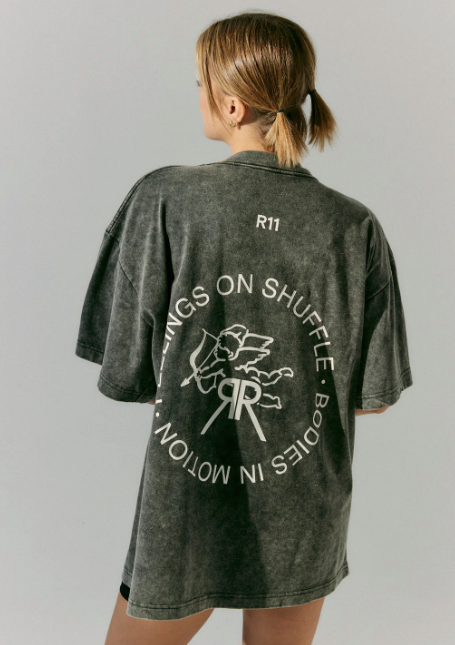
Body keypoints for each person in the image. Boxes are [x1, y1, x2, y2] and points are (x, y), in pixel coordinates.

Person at [74, 10, 413, 645]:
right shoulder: (354, 226)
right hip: (305, 512)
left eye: (200, 83)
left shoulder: (164, 198)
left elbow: (126, 374)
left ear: (231, 106)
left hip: (186, 508)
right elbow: (372, 398)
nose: (198, 96)